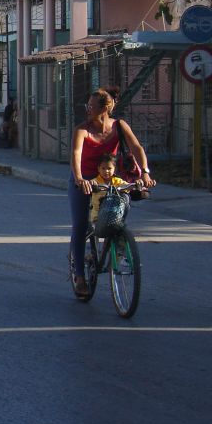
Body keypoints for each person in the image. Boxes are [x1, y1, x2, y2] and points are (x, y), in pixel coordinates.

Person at [69, 88, 156, 297]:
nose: (88, 110)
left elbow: (137, 148)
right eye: (88, 106)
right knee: (80, 225)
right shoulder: (82, 130)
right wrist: (79, 179)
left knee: (118, 214)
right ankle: (80, 276)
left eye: (92, 106)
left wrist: (145, 173)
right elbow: (76, 153)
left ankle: (118, 244)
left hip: (111, 180)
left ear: (104, 109)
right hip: (86, 181)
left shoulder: (119, 126)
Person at [87, 153, 128, 226]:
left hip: (113, 215)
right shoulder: (95, 181)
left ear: (114, 169)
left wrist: (137, 184)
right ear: (98, 169)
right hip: (97, 216)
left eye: (109, 168)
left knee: (126, 199)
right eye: (103, 168)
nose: (106, 171)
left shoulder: (117, 181)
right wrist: (91, 184)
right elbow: (89, 184)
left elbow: (127, 185)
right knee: (95, 228)